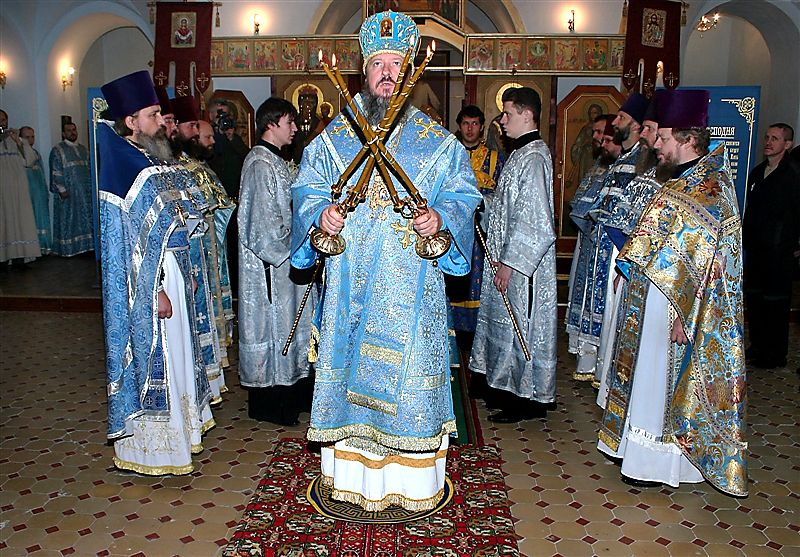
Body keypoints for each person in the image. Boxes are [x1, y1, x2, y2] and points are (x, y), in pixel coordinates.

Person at [291, 10, 480, 512]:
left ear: (409, 70)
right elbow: (306, 190)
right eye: (379, 64)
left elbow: (464, 195)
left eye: (397, 63)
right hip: (349, 290)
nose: (388, 73)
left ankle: (412, 485)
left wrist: (441, 217)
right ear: (364, 71)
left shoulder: (437, 143)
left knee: (409, 384)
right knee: (350, 377)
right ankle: (353, 480)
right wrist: (320, 214)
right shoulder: (334, 140)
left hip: (411, 290)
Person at [598, 89, 748, 496]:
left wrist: (688, 315)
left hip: (676, 310)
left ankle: (662, 462)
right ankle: (638, 452)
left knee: (662, 381)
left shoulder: (710, 188)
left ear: (688, 139)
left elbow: (716, 263)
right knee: (646, 379)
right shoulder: (681, 181)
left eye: (663, 138)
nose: (656, 145)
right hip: (651, 299)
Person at [98, 70, 214, 475]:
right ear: (131, 122)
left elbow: (181, 220)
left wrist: (188, 271)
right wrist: (155, 291)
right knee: (162, 357)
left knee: (180, 356)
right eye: (152, 115)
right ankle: (152, 451)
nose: (162, 121)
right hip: (152, 283)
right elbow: (130, 246)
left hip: (176, 273)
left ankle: (183, 436)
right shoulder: (125, 167)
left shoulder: (154, 158)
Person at [470, 86, 557, 423]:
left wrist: (510, 263)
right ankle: (502, 387)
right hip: (505, 260)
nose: (502, 121)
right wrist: (481, 203)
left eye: (507, 114)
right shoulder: (520, 154)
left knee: (522, 325)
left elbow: (536, 222)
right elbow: (508, 208)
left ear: (526, 114)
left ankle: (524, 399)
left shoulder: (534, 157)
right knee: (504, 325)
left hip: (522, 268)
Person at [239, 97, 314, 426]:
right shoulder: (259, 163)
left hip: (289, 262)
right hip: (271, 267)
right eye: (289, 122)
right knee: (275, 328)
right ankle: (273, 404)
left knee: (292, 327)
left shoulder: (277, 160)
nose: (295, 128)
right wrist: (298, 245)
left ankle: (296, 395)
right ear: (271, 124)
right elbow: (262, 227)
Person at [172, 95, 227, 402]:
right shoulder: (172, 166)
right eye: (191, 126)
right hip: (184, 257)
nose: (196, 133)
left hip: (202, 254)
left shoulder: (192, 165)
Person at [566, 115, 620, 382]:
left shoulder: (621, 167)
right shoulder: (599, 164)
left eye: (602, 134)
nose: (597, 139)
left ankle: (598, 364)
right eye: (597, 133)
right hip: (589, 239)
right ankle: (587, 358)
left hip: (609, 246)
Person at [743, 123, 799, 369]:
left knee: (775, 302)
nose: (768, 142)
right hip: (756, 249)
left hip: (780, 249)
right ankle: (757, 346)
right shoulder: (757, 172)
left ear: (787, 144)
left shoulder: (793, 174)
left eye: (775, 138)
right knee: (755, 299)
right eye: (767, 137)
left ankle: (774, 354)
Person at [448, 105, 504, 350]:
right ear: (459, 127)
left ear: (481, 127)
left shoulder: (495, 158)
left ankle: (480, 336)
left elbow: (502, 197)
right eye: (465, 124)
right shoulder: (449, 156)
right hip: (453, 231)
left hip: (483, 232)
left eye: (474, 124)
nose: (470, 129)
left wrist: (482, 203)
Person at [194, 119, 237, 369]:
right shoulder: (193, 170)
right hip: (203, 254)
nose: (213, 141)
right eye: (207, 137)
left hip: (212, 250)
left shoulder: (203, 165)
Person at [1, 109, 41, 266]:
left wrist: (18, 142)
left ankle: (22, 254)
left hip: (19, 188)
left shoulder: (18, 140)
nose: (2, 123)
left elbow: (29, 161)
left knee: (21, 220)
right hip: (2, 189)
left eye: (4, 120)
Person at [49, 120, 94, 256]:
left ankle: (87, 246)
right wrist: (62, 189)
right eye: (69, 130)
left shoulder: (83, 149)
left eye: (74, 130)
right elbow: (56, 170)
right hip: (69, 192)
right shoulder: (58, 150)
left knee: (86, 219)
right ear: (63, 133)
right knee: (70, 219)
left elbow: (90, 168)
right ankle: (69, 248)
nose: (72, 133)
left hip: (85, 191)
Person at [19, 126, 52, 253]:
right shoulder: (18, 154)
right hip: (27, 192)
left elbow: (41, 172)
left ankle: (43, 246)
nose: (30, 140)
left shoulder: (36, 153)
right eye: (27, 137)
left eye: (32, 137)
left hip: (39, 191)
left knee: (41, 218)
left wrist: (44, 189)